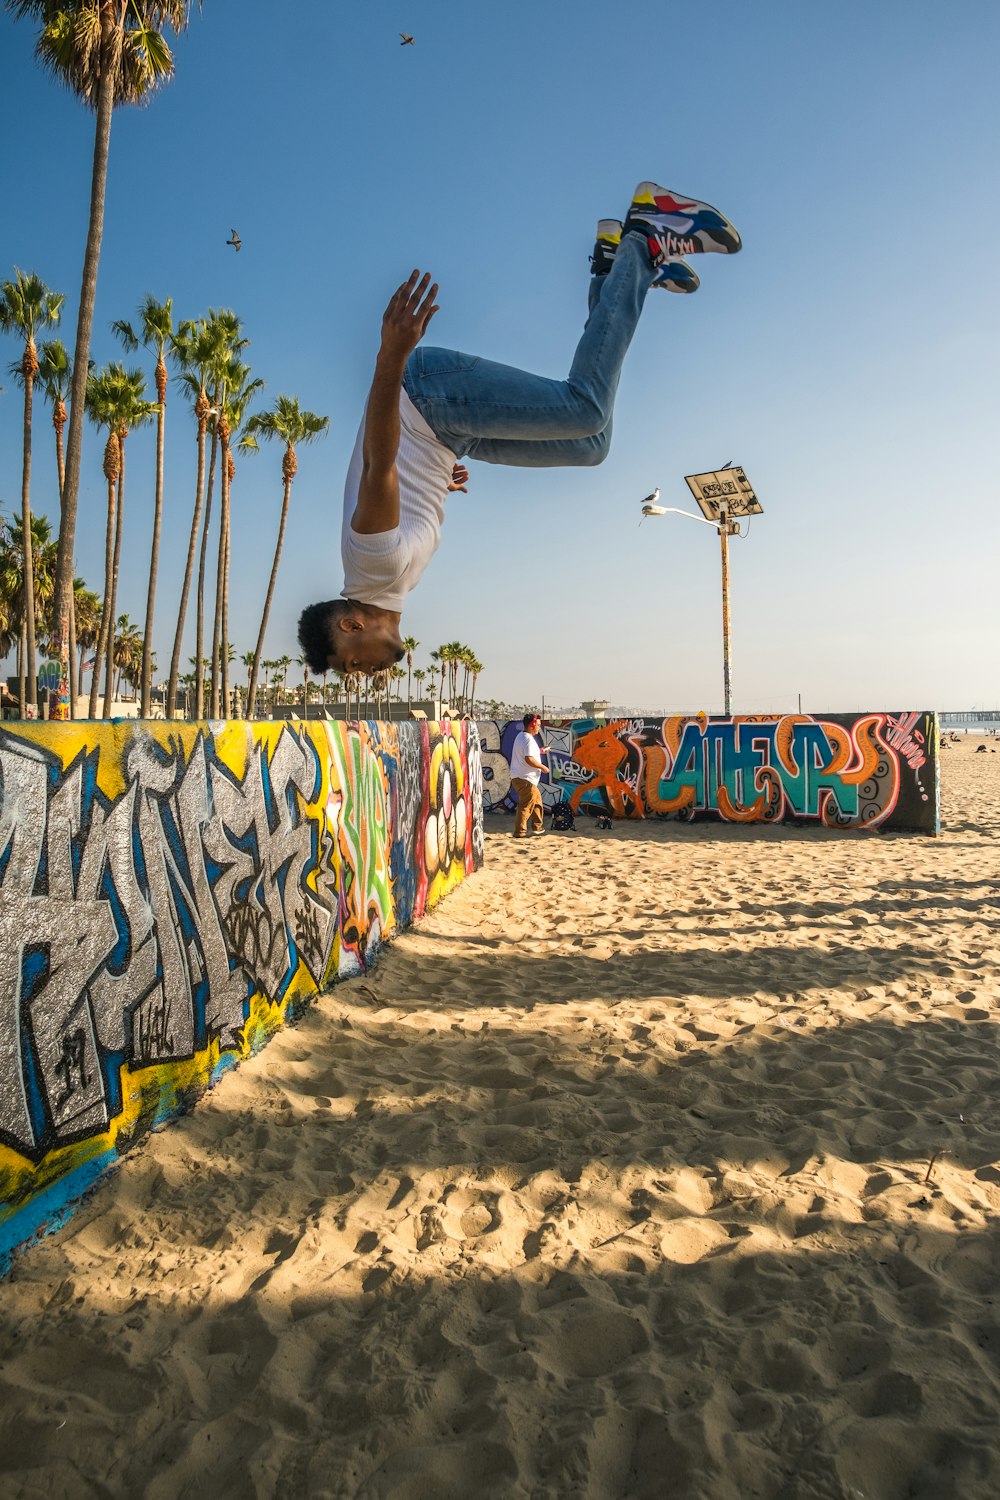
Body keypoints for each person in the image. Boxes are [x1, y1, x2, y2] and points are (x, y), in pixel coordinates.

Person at [298, 181, 741, 677]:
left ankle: (646, 235)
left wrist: (390, 356)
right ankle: (612, 270)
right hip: (442, 435)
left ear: (352, 627)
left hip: (425, 397)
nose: (361, 674)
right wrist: (432, 474)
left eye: (350, 666)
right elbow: (390, 474)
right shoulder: (384, 581)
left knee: (584, 413)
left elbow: (379, 468)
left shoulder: (371, 569)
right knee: (591, 446)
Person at [509, 712, 550, 838]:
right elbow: (528, 759)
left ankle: (537, 827)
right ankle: (520, 832)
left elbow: (527, 753)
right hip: (525, 779)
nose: (539, 727)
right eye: (538, 725)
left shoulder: (522, 736)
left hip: (523, 778)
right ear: (532, 725)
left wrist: (541, 751)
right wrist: (542, 767)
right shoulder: (528, 740)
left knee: (537, 801)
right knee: (525, 805)